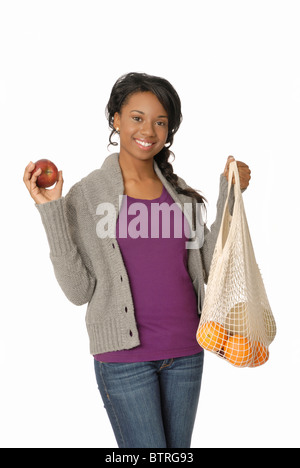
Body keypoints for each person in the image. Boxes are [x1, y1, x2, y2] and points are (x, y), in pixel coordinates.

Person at [23, 72, 251, 448]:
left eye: (160, 121)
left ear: (169, 131)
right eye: (137, 117)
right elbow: (79, 292)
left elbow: (213, 269)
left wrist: (229, 198)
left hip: (187, 352)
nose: (148, 129)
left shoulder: (183, 197)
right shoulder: (87, 195)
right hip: (123, 359)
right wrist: (52, 213)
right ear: (115, 119)